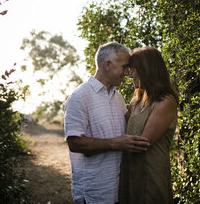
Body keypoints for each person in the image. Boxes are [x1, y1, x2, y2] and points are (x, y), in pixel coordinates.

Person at [64, 42, 150, 204]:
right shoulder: (80, 97)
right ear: (108, 65)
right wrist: (115, 144)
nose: (127, 73)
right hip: (94, 193)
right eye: (124, 67)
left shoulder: (117, 97)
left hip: (118, 190)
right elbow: (75, 143)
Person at [119, 47, 179, 204]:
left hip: (151, 174)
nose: (129, 74)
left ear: (146, 70)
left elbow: (143, 142)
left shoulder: (165, 101)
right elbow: (120, 126)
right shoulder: (136, 100)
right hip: (130, 173)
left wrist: (105, 144)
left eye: (133, 70)